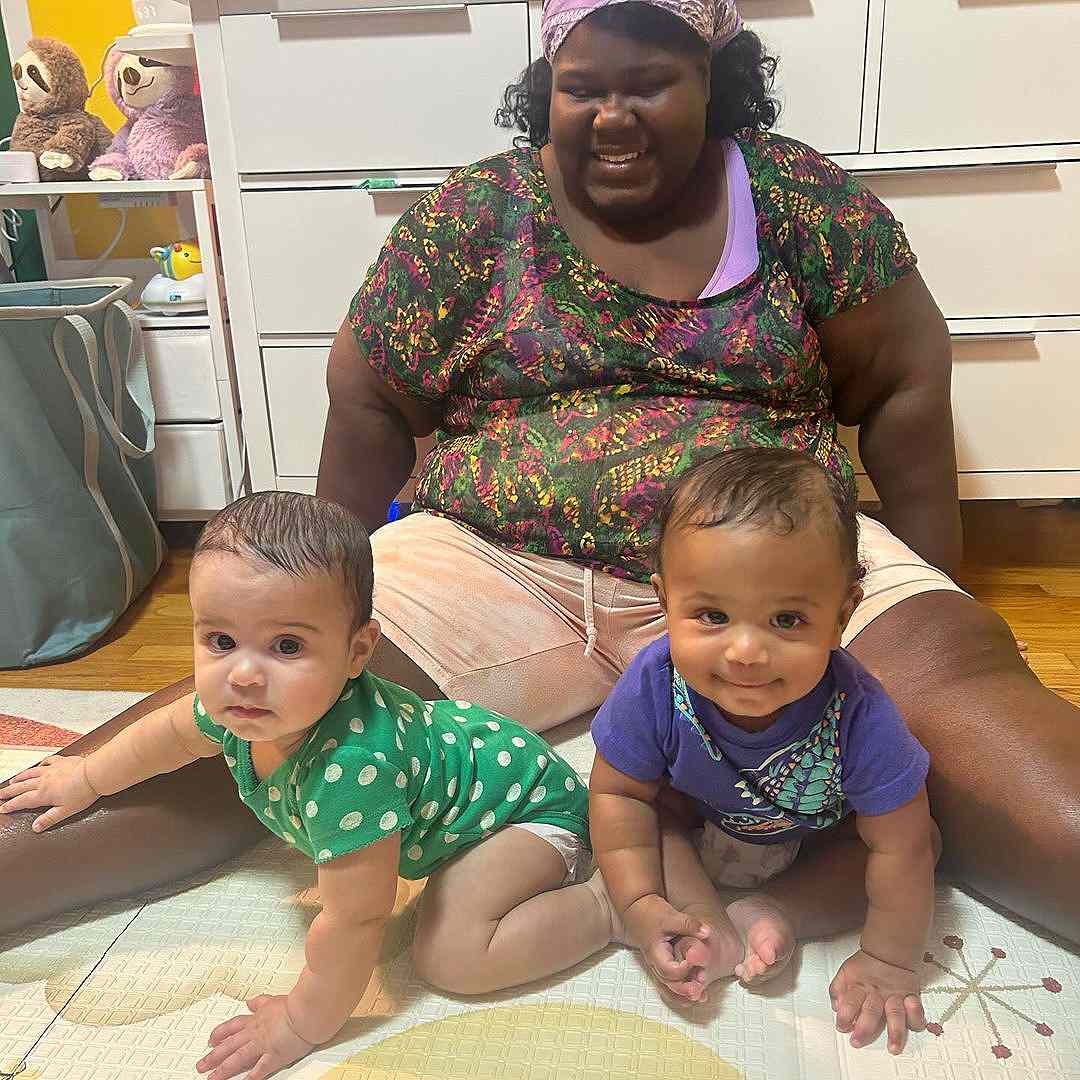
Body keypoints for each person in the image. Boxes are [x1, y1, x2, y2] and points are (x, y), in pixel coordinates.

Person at [2, 0, 1077, 964]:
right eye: (584, 86)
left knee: (996, 756)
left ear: (719, 75)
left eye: (651, 82)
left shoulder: (801, 198)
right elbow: (369, 394)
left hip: (770, 555)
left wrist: (936, 589)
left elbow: (905, 386)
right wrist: (317, 607)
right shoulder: (474, 215)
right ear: (545, 89)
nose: (614, 116)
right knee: (262, 711)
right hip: (492, 553)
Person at [0, 492, 626, 1080]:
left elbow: (358, 916)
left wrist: (301, 1022)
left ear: (358, 653)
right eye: (220, 640)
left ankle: (607, 909)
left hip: (527, 818)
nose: (243, 674)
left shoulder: (350, 772)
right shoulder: (242, 708)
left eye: (287, 645)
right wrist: (85, 774)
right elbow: (168, 734)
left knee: (453, 956)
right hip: (478, 778)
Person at [590, 448, 938, 1055]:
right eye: (712, 615)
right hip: (703, 818)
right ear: (664, 602)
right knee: (653, 822)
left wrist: (889, 958)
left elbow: (900, 846)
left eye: (786, 620)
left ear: (841, 615)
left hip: (824, 833)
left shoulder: (859, 714)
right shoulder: (655, 682)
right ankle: (704, 920)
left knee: (920, 846)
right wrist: (639, 902)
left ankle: (779, 911)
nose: (746, 651)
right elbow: (618, 792)